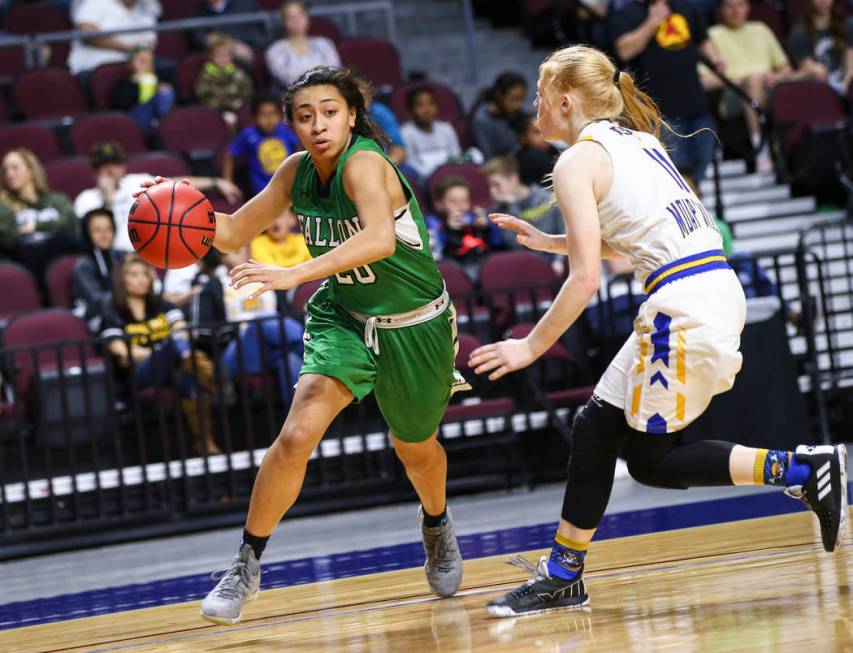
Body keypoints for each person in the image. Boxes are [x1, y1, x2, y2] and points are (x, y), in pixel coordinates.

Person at [469, 45, 847, 617]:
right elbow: (643, 232)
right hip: (706, 288)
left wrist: (530, 345)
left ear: (565, 100)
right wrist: (549, 242)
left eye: (541, 97)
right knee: (596, 427)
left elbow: (586, 278)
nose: (535, 109)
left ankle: (803, 467)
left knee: (650, 460)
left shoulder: (578, 160)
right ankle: (562, 575)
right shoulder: (637, 142)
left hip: (684, 304)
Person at [136, 65, 471, 625]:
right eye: (305, 115)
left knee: (416, 449)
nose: (318, 124)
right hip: (343, 316)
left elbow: (378, 239)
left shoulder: (366, 163)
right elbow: (233, 231)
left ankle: (436, 522)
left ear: (352, 116)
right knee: (294, 437)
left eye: (330, 112)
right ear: (291, 124)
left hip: (415, 324)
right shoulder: (295, 172)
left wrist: (295, 273)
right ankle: (246, 563)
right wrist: (174, 205)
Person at [101, 255, 221, 455]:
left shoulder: (162, 305)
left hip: (173, 366)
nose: (141, 279)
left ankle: (205, 441)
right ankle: (212, 378)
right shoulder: (113, 311)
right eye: (134, 275)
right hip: (140, 374)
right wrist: (161, 352)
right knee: (176, 349)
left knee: (188, 380)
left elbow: (181, 329)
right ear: (122, 281)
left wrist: (165, 350)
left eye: (145, 274)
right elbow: (119, 350)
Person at [612, 0, 726, 182]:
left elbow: (702, 39)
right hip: (660, 114)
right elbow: (624, 51)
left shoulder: (685, 7)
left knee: (698, 174)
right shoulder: (626, 12)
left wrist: (715, 57)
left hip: (697, 105)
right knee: (672, 178)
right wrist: (652, 23)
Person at [74, 142, 243, 252]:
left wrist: (215, 182)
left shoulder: (136, 181)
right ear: (95, 171)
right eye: (103, 166)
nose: (110, 170)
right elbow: (94, 241)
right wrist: (108, 198)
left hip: (154, 250)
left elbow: (176, 185)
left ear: (123, 166)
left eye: (115, 164)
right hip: (116, 260)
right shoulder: (86, 200)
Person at [699, 0, 791, 165]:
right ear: (721, 10)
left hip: (769, 88)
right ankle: (761, 149)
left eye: (740, 5)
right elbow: (704, 81)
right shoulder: (712, 35)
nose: (736, 11)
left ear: (748, 7)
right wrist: (740, 81)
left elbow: (786, 69)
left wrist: (775, 77)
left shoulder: (761, 29)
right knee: (753, 80)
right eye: (730, 6)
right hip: (732, 95)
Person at [0, 149, 79, 286]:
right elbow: (10, 237)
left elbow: (71, 224)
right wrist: (53, 225)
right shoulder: (4, 206)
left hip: (59, 252)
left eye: (15, 168)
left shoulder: (56, 200)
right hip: (28, 261)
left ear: (31, 171)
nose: (9, 174)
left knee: (65, 239)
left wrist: (35, 227)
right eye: (5, 170)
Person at [481, 155, 565, 274]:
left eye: (496, 185)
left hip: (555, 259)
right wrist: (510, 208)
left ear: (514, 178)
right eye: (489, 186)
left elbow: (566, 232)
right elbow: (516, 246)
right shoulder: (498, 210)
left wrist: (559, 260)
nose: (492, 191)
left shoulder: (548, 198)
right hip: (522, 268)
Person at [223, 94, 301, 196]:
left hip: (289, 184)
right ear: (254, 118)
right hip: (263, 190)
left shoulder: (285, 131)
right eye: (263, 114)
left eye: (273, 114)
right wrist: (227, 181)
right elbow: (230, 156)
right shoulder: (248, 135)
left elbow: (298, 149)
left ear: (280, 116)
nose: (269, 119)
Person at [67, 0, 161, 76]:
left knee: (166, 71)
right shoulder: (96, 2)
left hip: (134, 70)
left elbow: (149, 44)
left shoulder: (147, 7)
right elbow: (87, 34)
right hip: (93, 69)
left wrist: (137, 51)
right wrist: (128, 48)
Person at [265, 0, 342, 90]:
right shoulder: (275, 50)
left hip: (328, 92)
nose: (296, 21)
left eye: (300, 15)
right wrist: (321, 68)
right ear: (283, 21)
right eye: (290, 17)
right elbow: (290, 80)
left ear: (307, 18)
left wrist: (304, 72)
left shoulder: (324, 43)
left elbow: (335, 71)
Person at [427, 176, 495, 273]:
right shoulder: (434, 223)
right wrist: (449, 230)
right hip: (453, 268)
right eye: (453, 202)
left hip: (481, 264)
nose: (460, 206)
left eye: (465, 201)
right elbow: (436, 254)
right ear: (439, 204)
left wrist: (485, 228)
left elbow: (497, 244)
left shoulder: (474, 218)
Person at [73, 207, 126, 332]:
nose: (104, 234)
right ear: (87, 233)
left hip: (131, 311)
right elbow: (97, 300)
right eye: (97, 230)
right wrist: (132, 300)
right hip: (100, 319)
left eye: (109, 229)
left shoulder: (124, 256)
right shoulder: (83, 265)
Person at [788, 0, 853, 94]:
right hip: (821, 92)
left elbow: (851, 66)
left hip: (847, 87)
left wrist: (846, 87)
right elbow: (809, 69)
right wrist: (813, 70)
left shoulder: (848, 25)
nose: (823, 0)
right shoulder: (799, 34)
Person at [400, 86, 462, 179]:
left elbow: (456, 155)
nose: (427, 110)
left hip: (451, 175)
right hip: (424, 179)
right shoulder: (406, 132)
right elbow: (411, 163)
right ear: (411, 110)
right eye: (420, 105)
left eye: (431, 104)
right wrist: (435, 175)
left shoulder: (446, 128)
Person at [109, 46, 175, 131]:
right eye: (142, 61)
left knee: (166, 92)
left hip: (155, 115)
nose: (147, 66)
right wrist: (137, 85)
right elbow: (121, 104)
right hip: (134, 119)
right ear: (130, 64)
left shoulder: (157, 80)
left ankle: (164, 126)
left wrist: (158, 88)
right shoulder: (123, 84)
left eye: (150, 62)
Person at [195, 33, 254, 129]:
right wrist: (227, 106)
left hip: (239, 109)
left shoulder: (238, 73)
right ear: (210, 56)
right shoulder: (205, 76)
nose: (223, 59)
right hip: (216, 112)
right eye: (218, 56)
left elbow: (247, 91)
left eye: (226, 56)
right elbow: (205, 97)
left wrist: (241, 103)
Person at [469, 72, 529, 160]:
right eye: (513, 99)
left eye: (521, 99)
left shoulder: (514, 113)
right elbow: (487, 156)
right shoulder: (481, 120)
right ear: (499, 94)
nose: (518, 104)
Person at [190, 0, 266, 64]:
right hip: (219, 61)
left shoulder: (246, 4)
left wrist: (250, 48)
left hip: (250, 55)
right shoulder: (196, 15)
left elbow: (260, 33)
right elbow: (201, 40)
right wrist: (232, 46)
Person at [512, 112, 561, 186]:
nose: (544, 135)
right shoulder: (528, 157)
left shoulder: (550, 149)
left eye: (545, 130)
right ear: (523, 137)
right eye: (536, 132)